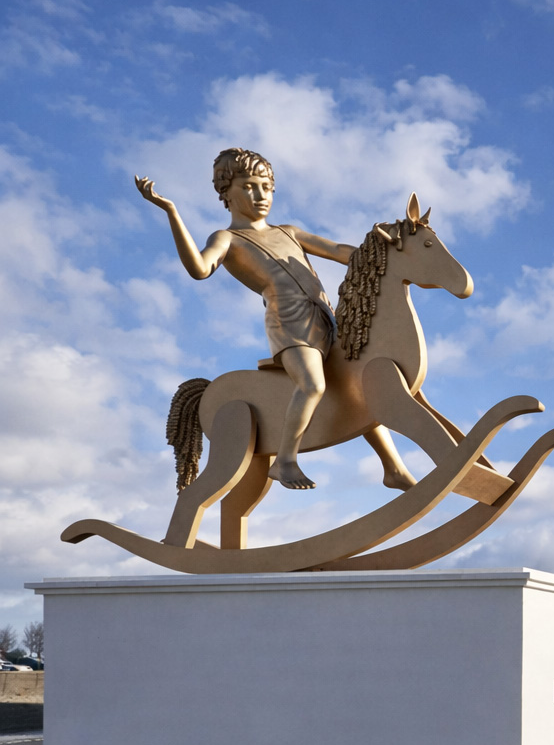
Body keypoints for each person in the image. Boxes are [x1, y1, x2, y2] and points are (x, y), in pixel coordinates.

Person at [136, 148, 415, 492]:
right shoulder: (227, 239)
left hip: (325, 319)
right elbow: (199, 268)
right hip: (289, 324)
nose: (261, 195)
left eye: (267, 187)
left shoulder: (289, 232)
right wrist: (171, 211)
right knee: (313, 385)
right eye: (249, 186)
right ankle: (285, 461)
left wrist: (389, 241)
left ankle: (393, 468)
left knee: (359, 387)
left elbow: (344, 253)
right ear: (226, 191)